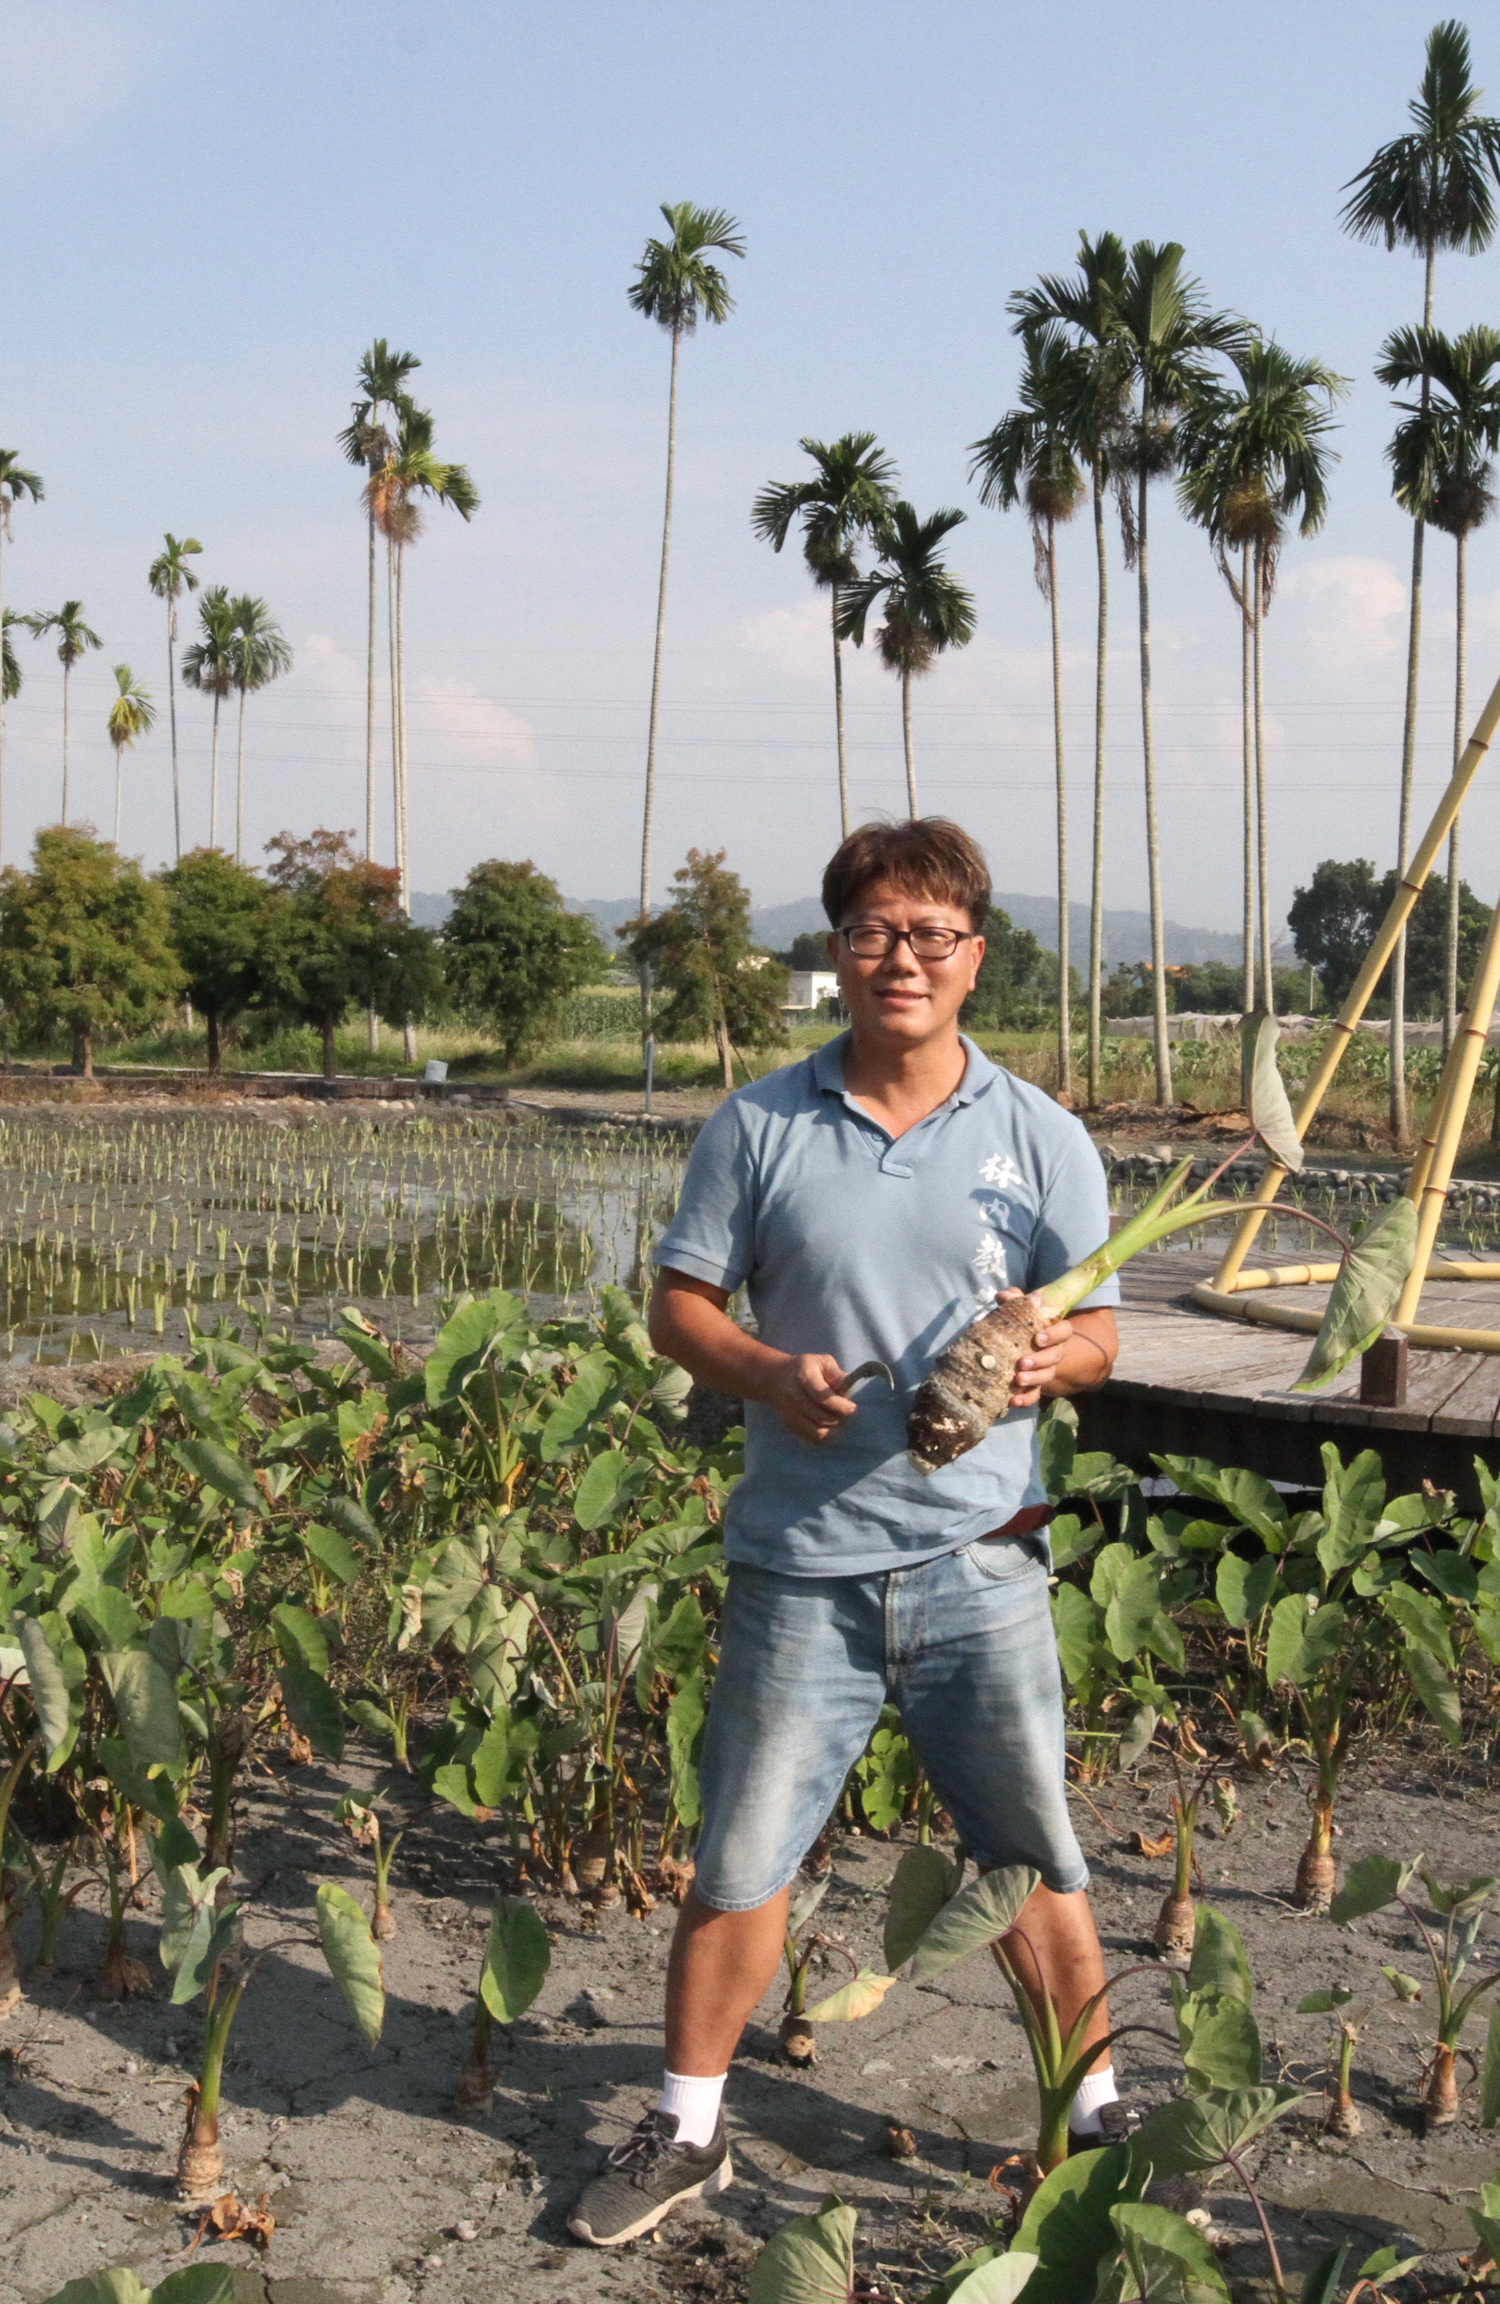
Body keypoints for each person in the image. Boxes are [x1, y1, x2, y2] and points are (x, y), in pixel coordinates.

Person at [567, 817, 1128, 2249]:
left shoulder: (1037, 1136)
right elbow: (677, 1306)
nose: (904, 960)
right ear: (838, 949)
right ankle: (689, 2126)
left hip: (981, 1556)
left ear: (975, 955)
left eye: (933, 935)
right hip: (799, 1568)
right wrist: (763, 1372)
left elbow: (1103, 1322)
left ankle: (1096, 2113)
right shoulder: (758, 1125)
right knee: (741, 1859)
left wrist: (1066, 1360)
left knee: (1032, 1855)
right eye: (875, 932)